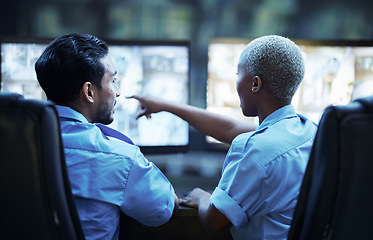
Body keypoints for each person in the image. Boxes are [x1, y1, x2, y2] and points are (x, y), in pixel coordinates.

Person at [131, 35, 318, 240]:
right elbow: (230, 128)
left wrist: (203, 197)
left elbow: (214, 220)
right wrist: (166, 106)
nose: (236, 82)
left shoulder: (254, 150)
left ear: (255, 84)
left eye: (239, 74)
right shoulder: (309, 131)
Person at [34, 33, 179, 240]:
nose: (117, 92)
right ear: (89, 92)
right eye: (113, 80)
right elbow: (164, 208)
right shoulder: (120, 157)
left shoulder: (13, 147)